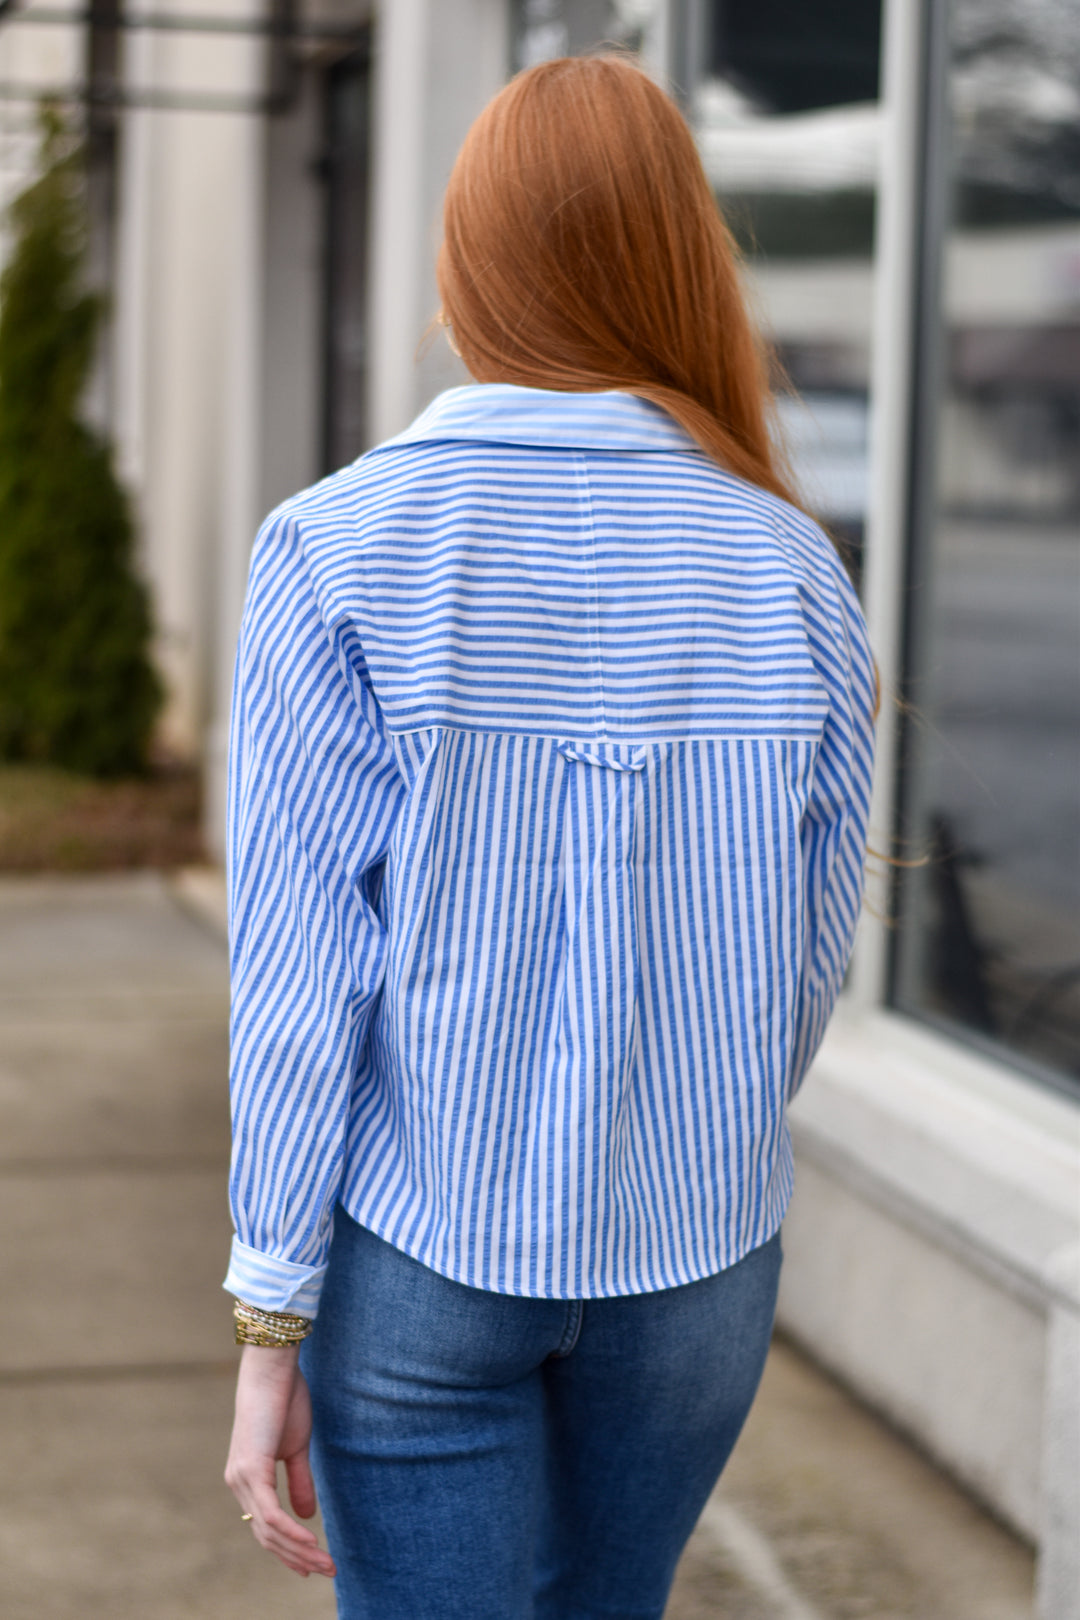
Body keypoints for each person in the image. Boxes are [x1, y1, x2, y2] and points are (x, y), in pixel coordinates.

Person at [223, 52, 878, 1620]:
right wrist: (693, 1124)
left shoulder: (338, 548)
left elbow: (304, 981)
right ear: (677, 261)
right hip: (698, 1267)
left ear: (471, 264)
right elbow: (811, 946)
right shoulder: (790, 561)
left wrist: (269, 1323)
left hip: (428, 1253)